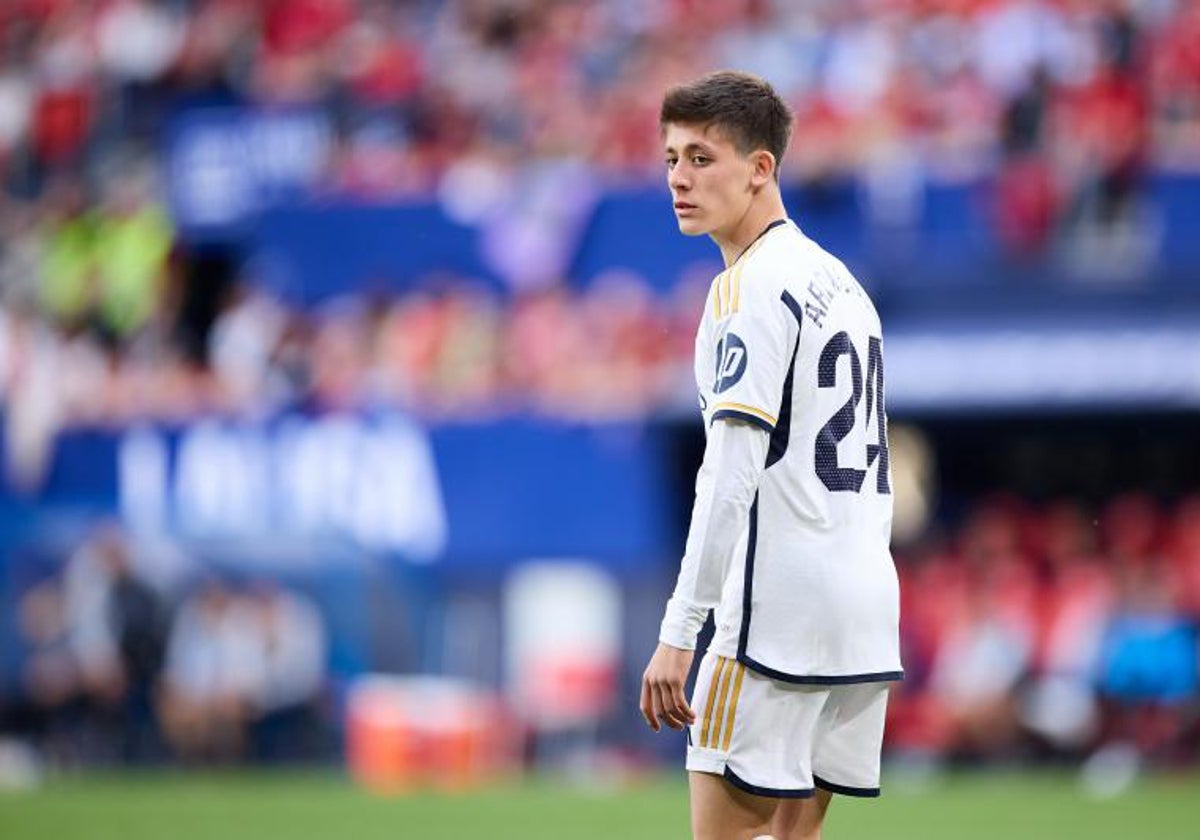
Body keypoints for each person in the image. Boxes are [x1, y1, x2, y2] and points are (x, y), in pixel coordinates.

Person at [639, 71, 902, 840]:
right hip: (863, 608)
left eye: (701, 158)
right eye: (670, 160)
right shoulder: (843, 284)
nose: (680, 181)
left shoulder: (746, 289)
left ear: (762, 168)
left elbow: (729, 473)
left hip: (774, 615)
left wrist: (678, 631)